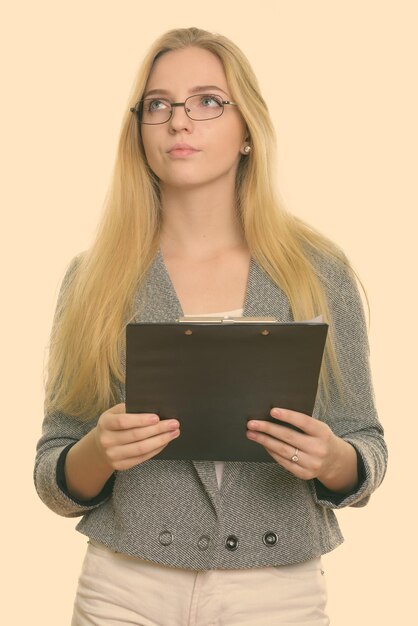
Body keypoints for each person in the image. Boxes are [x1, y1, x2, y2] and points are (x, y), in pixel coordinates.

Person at [34, 26, 387, 626]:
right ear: (139, 130)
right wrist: (99, 449)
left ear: (246, 128)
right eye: (159, 104)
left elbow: (367, 444)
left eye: (207, 101)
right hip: (126, 588)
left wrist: (333, 461)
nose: (179, 121)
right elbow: (52, 470)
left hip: (279, 590)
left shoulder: (317, 273)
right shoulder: (92, 279)